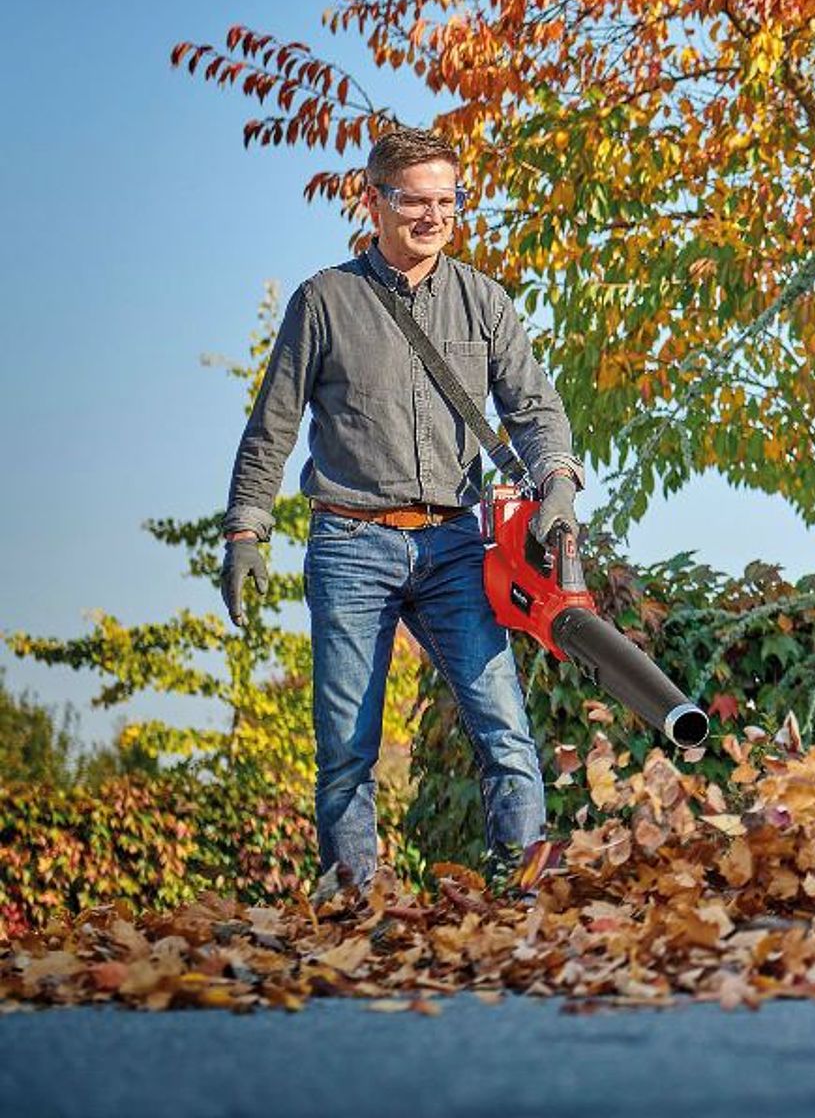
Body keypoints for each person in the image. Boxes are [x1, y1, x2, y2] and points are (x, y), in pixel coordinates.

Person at [218, 126, 582, 894]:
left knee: (504, 727)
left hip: (455, 544)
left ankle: (525, 892)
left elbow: (536, 411)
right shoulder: (324, 302)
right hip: (351, 541)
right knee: (348, 742)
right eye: (415, 201)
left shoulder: (484, 301)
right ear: (373, 201)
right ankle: (353, 899)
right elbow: (271, 430)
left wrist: (556, 483)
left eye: (447, 200)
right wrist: (246, 530)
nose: (434, 216)